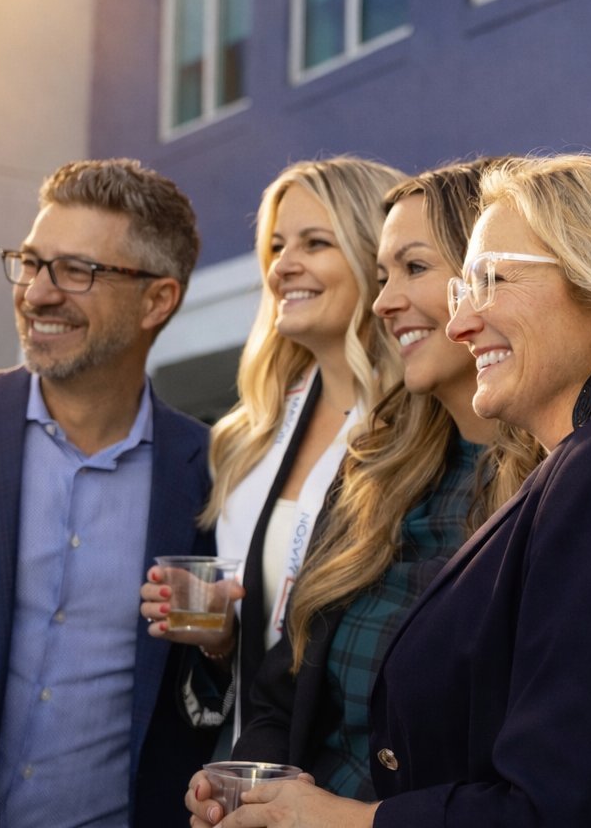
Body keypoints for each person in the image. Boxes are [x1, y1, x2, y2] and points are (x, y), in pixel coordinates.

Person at [201, 155, 591, 826]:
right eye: (461, 288)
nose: (462, 322)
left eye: (489, 281)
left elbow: (565, 806)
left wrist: (332, 819)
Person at [179, 159, 542, 812]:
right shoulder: (377, 464)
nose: (385, 302)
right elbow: (282, 686)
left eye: (414, 268)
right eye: (381, 277)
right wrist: (243, 784)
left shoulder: (563, 481)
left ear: (484, 273)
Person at [0, 158, 215, 826]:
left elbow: (224, 686)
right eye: (31, 263)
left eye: (77, 270)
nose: (37, 293)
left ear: (158, 300)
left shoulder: (213, 471)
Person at [142, 158, 404, 743]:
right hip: (247, 767)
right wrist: (220, 636)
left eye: (315, 243)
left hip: (361, 772)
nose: (284, 266)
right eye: (277, 246)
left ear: (374, 255)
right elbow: (251, 652)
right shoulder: (247, 437)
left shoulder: (428, 428)